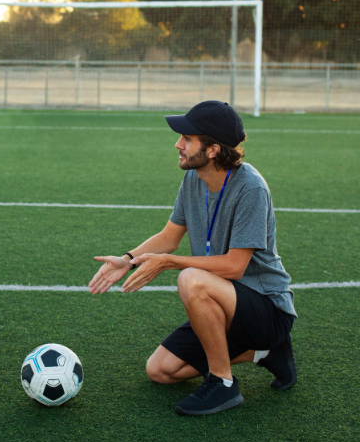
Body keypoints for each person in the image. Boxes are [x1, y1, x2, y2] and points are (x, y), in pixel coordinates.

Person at [88, 100, 297, 416]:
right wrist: (127, 259)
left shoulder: (250, 187)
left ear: (212, 150)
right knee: (160, 370)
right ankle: (264, 354)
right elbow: (169, 237)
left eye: (187, 138)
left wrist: (171, 263)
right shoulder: (193, 179)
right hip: (224, 302)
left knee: (190, 278)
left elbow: (234, 266)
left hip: (266, 308)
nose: (178, 144)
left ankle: (223, 384)